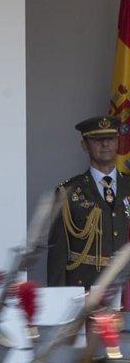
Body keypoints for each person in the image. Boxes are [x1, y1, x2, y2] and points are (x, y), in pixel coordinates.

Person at [47, 115, 130, 289]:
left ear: (117, 143)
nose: (105, 144)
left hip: (126, 292)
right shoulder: (67, 192)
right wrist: (58, 301)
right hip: (86, 293)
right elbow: (57, 255)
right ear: (84, 145)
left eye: (110, 139)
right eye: (98, 140)